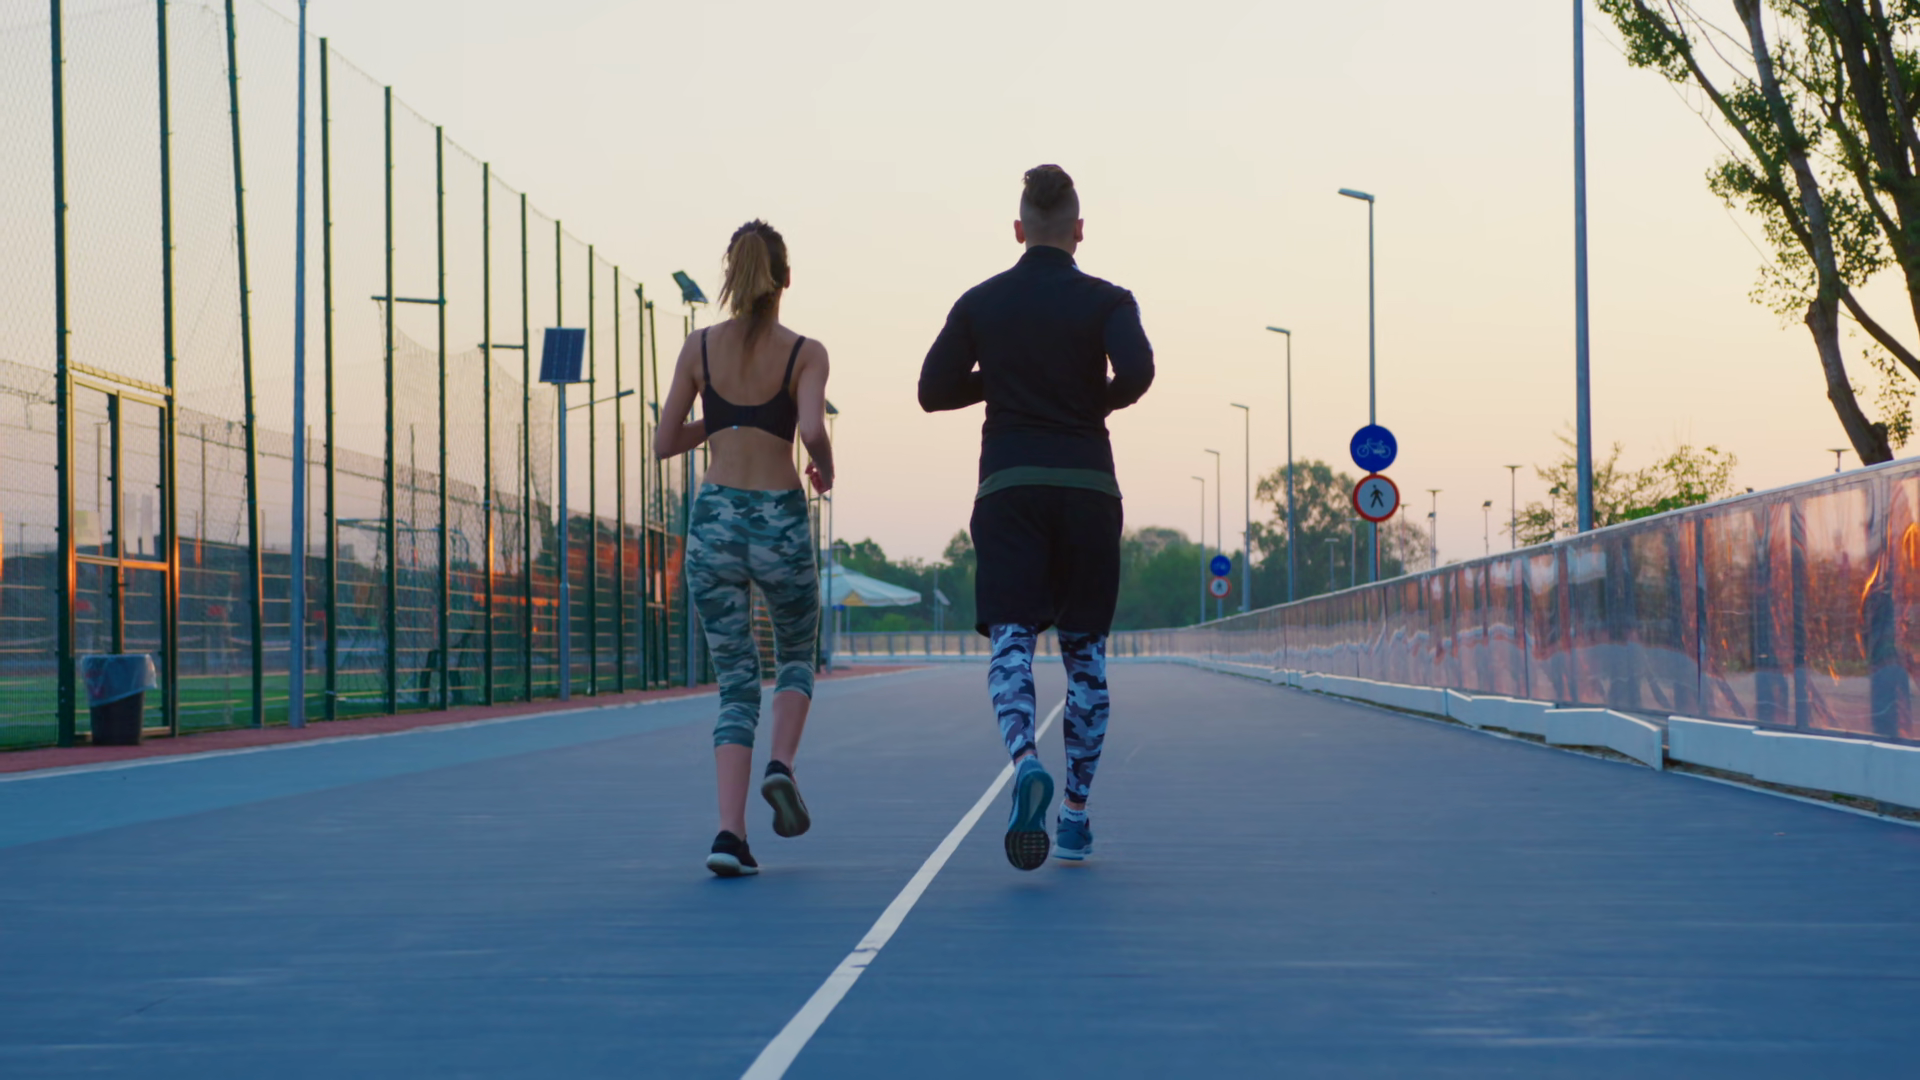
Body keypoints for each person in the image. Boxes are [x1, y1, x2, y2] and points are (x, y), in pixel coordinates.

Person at [918, 165, 1155, 870]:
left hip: (1010, 485)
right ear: (1079, 230)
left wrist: (1003, 376)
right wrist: (1090, 398)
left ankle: (1025, 761)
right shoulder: (1109, 300)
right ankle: (1075, 816)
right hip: (1088, 486)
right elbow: (1139, 372)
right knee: (1085, 656)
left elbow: (932, 390)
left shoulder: (981, 302)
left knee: (1012, 641)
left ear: (1018, 230)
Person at [655, 220, 834, 877]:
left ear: (730, 276)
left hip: (716, 521)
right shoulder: (805, 353)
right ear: (786, 279)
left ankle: (729, 836)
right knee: (795, 654)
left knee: (735, 684)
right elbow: (811, 427)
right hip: (779, 518)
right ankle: (780, 764)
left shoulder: (699, 347)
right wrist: (825, 467)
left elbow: (664, 441)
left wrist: (722, 417)